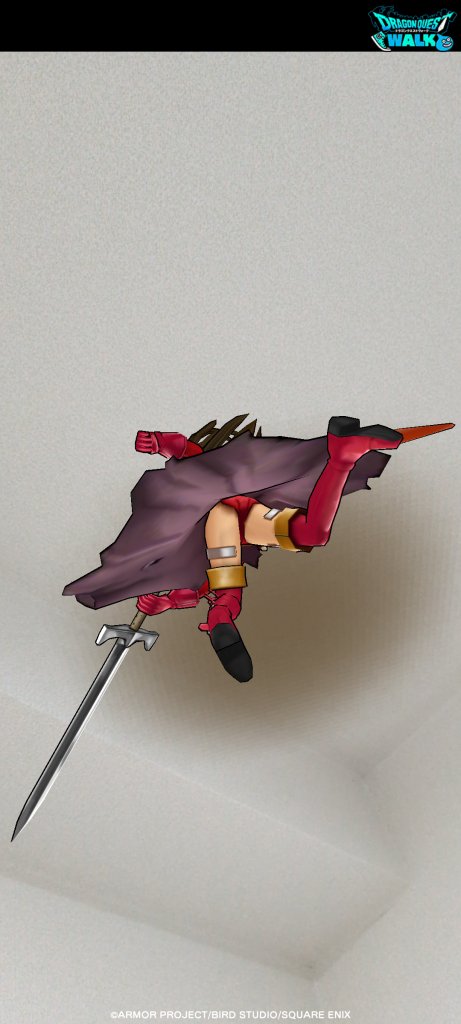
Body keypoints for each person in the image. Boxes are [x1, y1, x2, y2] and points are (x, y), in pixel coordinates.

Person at [63, 415, 454, 683]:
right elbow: (197, 586)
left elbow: (195, 465)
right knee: (310, 535)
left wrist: (167, 444)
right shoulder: (198, 557)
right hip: (237, 523)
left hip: (229, 518)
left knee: (242, 576)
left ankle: (343, 456)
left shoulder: (200, 499)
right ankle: (343, 457)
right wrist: (168, 602)